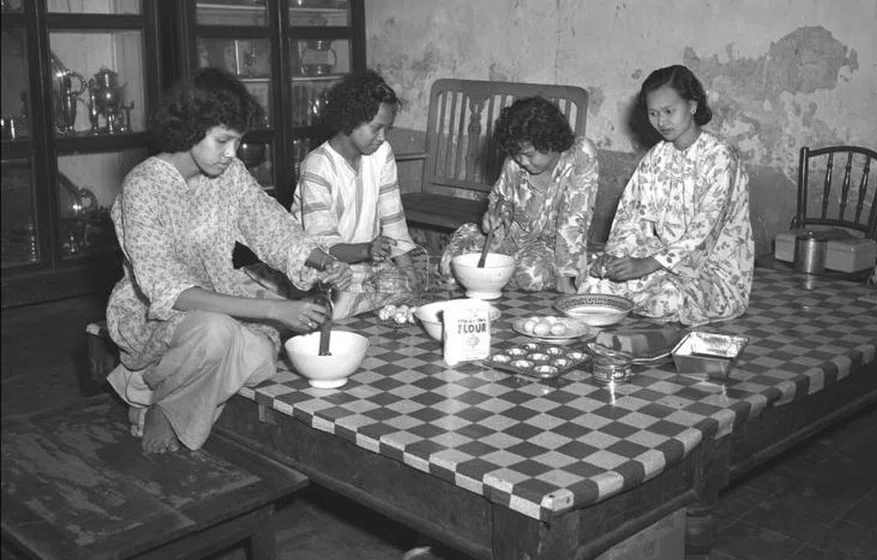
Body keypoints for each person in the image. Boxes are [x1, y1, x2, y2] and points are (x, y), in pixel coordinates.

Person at [105, 67, 352, 455]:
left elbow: (269, 223)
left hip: (219, 300)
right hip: (155, 314)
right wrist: (273, 308)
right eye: (223, 140)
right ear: (189, 130)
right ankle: (165, 408)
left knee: (261, 361)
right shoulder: (143, 186)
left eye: (237, 141)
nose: (232, 154)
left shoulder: (229, 174)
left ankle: (151, 392)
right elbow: (170, 291)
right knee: (218, 335)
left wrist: (321, 260)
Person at [580, 65, 754, 325]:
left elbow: (703, 232)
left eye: (669, 111)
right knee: (592, 281)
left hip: (713, 271)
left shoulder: (721, 155)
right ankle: (638, 295)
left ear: (692, 106)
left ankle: (651, 301)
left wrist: (647, 265)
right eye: (653, 113)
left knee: (666, 299)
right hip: (659, 260)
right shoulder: (658, 156)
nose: (661, 121)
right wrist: (614, 260)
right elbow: (630, 215)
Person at [291, 70, 418, 318]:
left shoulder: (382, 154)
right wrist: (366, 250)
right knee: (330, 308)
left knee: (406, 288)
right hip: (324, 266)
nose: (382, 138)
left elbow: (393, 222)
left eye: (387, 130)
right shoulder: (317, 166)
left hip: (365, 264)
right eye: (376, 128)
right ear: (350, 121)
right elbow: (323, 245)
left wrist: (409, 272)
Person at [440, 96, 599, 293]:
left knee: (532, 276)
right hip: (510, 240)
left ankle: (496, 277)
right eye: (517, 154)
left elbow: (575, 220)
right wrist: (494, 215)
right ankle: (496, 275)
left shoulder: (580, 154)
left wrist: (566, 277)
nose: (522, 161)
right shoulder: (515, 160)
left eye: (530, 155)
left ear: (550, 141)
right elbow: (501, 200)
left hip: (550, 247)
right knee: (451, 266)